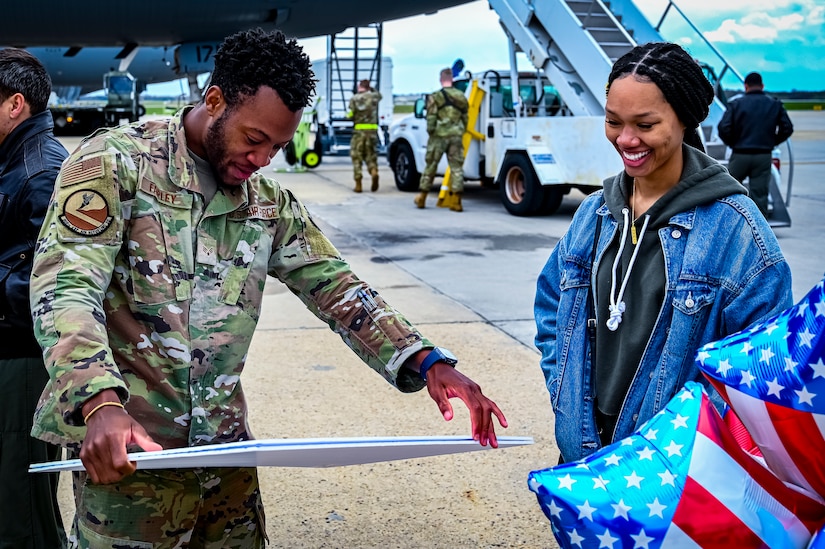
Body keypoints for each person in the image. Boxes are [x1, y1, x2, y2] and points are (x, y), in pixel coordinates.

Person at [28, 28, 507, 547]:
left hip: (225, 458)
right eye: (255, 139)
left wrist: (426, 360)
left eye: (278, 146)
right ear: (215, 101)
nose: (262, 159)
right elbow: (66, 285)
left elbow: (335, 285)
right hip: (131, 458)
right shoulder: (116, 164)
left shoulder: (266, 202)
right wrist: (99, 401)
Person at [534, 42, 792, 464]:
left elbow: (760, 371)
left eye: (646, 124)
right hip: (583, 457)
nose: (626, 139)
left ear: (685, 120)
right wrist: (564, 386)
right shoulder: (594, 213)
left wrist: (690, 435)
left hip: (674, 468)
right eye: (613, 122)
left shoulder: (738, 231)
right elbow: (550, 304)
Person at [0, 47, 68, 549]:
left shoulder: (42, 172)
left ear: (14, 104)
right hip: (9, 354)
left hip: (25, 363)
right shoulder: (15, 160)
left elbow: (55, 285)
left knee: (21, 510)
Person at [717, 71, 794, 219]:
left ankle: (731, 222)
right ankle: (758, 231)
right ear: (762, 86)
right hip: (763, 155)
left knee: (730, 190)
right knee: (759, 195)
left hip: (740, 154)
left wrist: (734, 143)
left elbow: (723, 128)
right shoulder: (774, 104)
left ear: (746, 86)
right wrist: (772, 142)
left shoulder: (736, 104)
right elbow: (787, 128)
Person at [414, 67, 469, 212]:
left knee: (431, 165)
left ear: (440, 79)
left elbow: (431, 117)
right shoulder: (461, 96)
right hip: (456, 135)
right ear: (452, 80)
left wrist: (431, 131)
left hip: (439, 136)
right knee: (456, 167)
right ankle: (457, 201)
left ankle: (422, 197)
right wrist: (461, 130)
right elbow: (465, 117)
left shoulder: (435, 96)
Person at [347, 79, 382, 192]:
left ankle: (358, 184)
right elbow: (379, 95)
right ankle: (373, 171)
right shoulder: (374, 97)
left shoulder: (354, 98)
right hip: (372, 132)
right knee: (371, 155)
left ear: (359, 87)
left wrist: (349, 115)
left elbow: (350, 115)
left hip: (359, 132)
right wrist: (371, 89)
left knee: (356, 156)